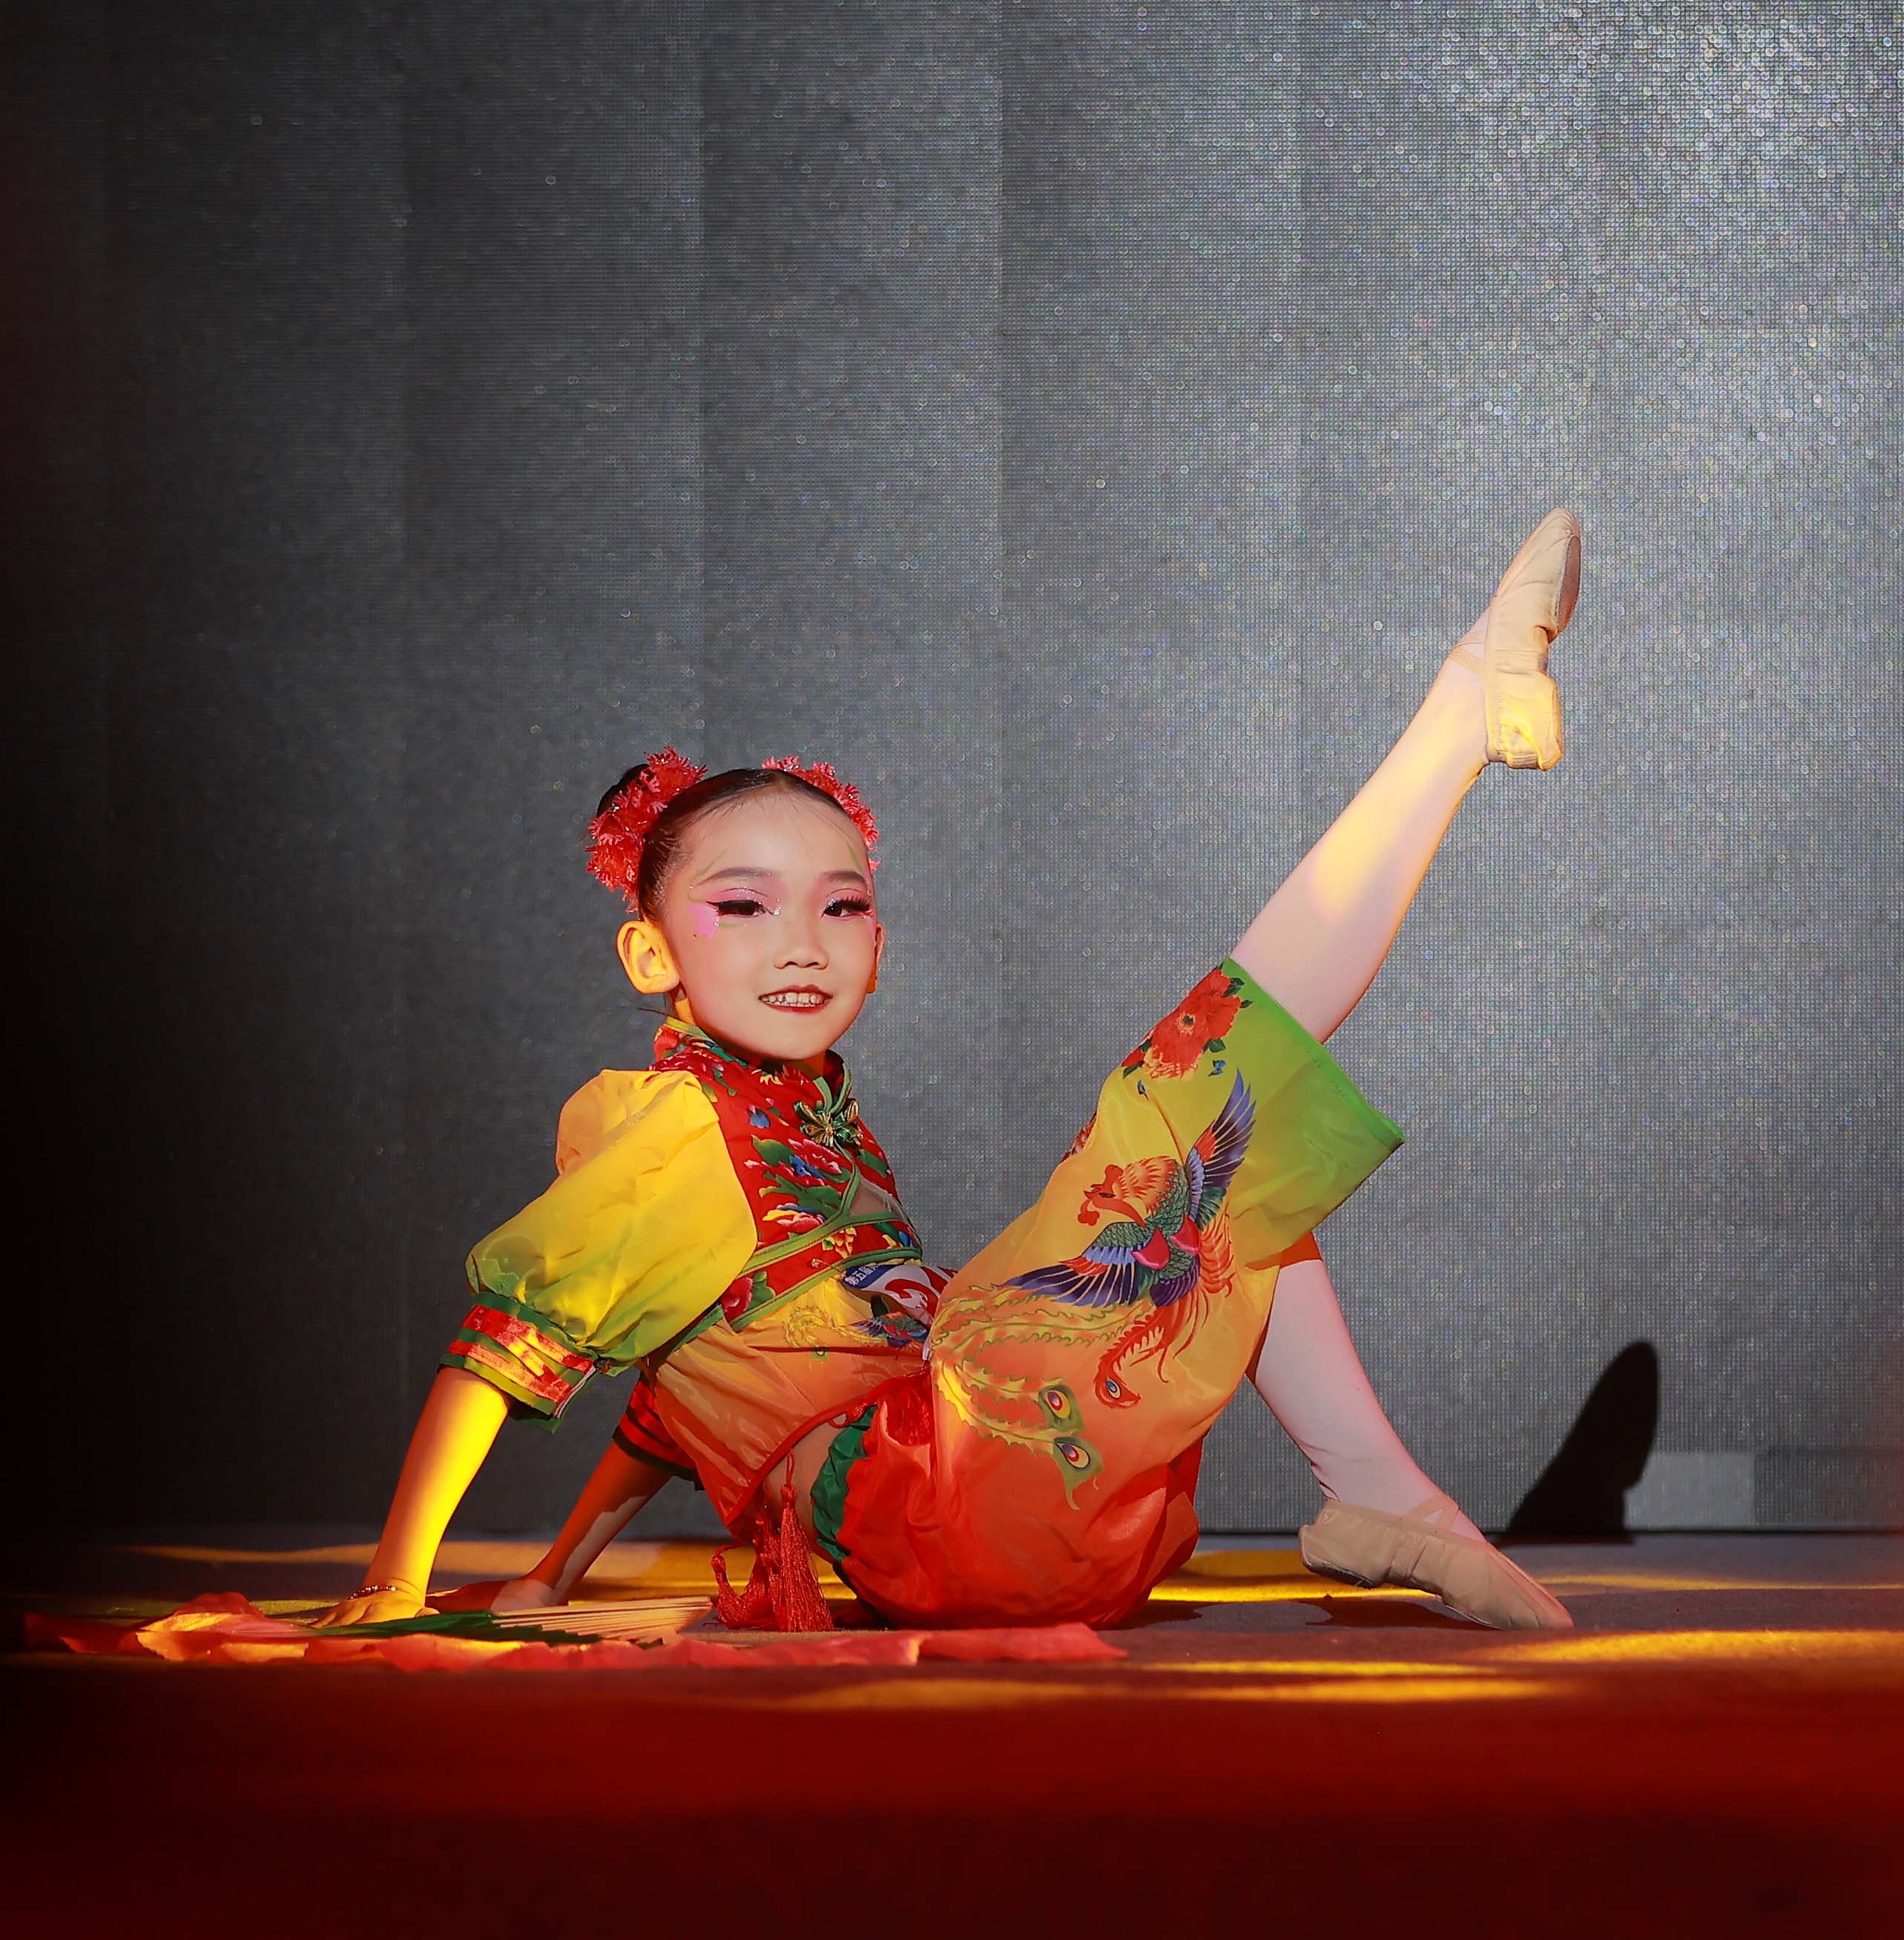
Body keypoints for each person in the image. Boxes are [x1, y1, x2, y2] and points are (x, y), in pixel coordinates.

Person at [316, 509, 1583, 1634]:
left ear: (879, 943)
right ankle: (1450, 728)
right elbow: (499, 1350)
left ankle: (1373, 1490)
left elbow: (670, 1397)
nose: (803, 945)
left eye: (842, 906)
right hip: (950, 1507)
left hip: (1032, 1518)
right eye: (743, 907)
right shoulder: (681, 1127)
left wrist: (555, 1573)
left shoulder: (802, 1125)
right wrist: (395, 1580)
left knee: (1223, 1183)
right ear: (651, 953)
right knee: (1190, 1093)